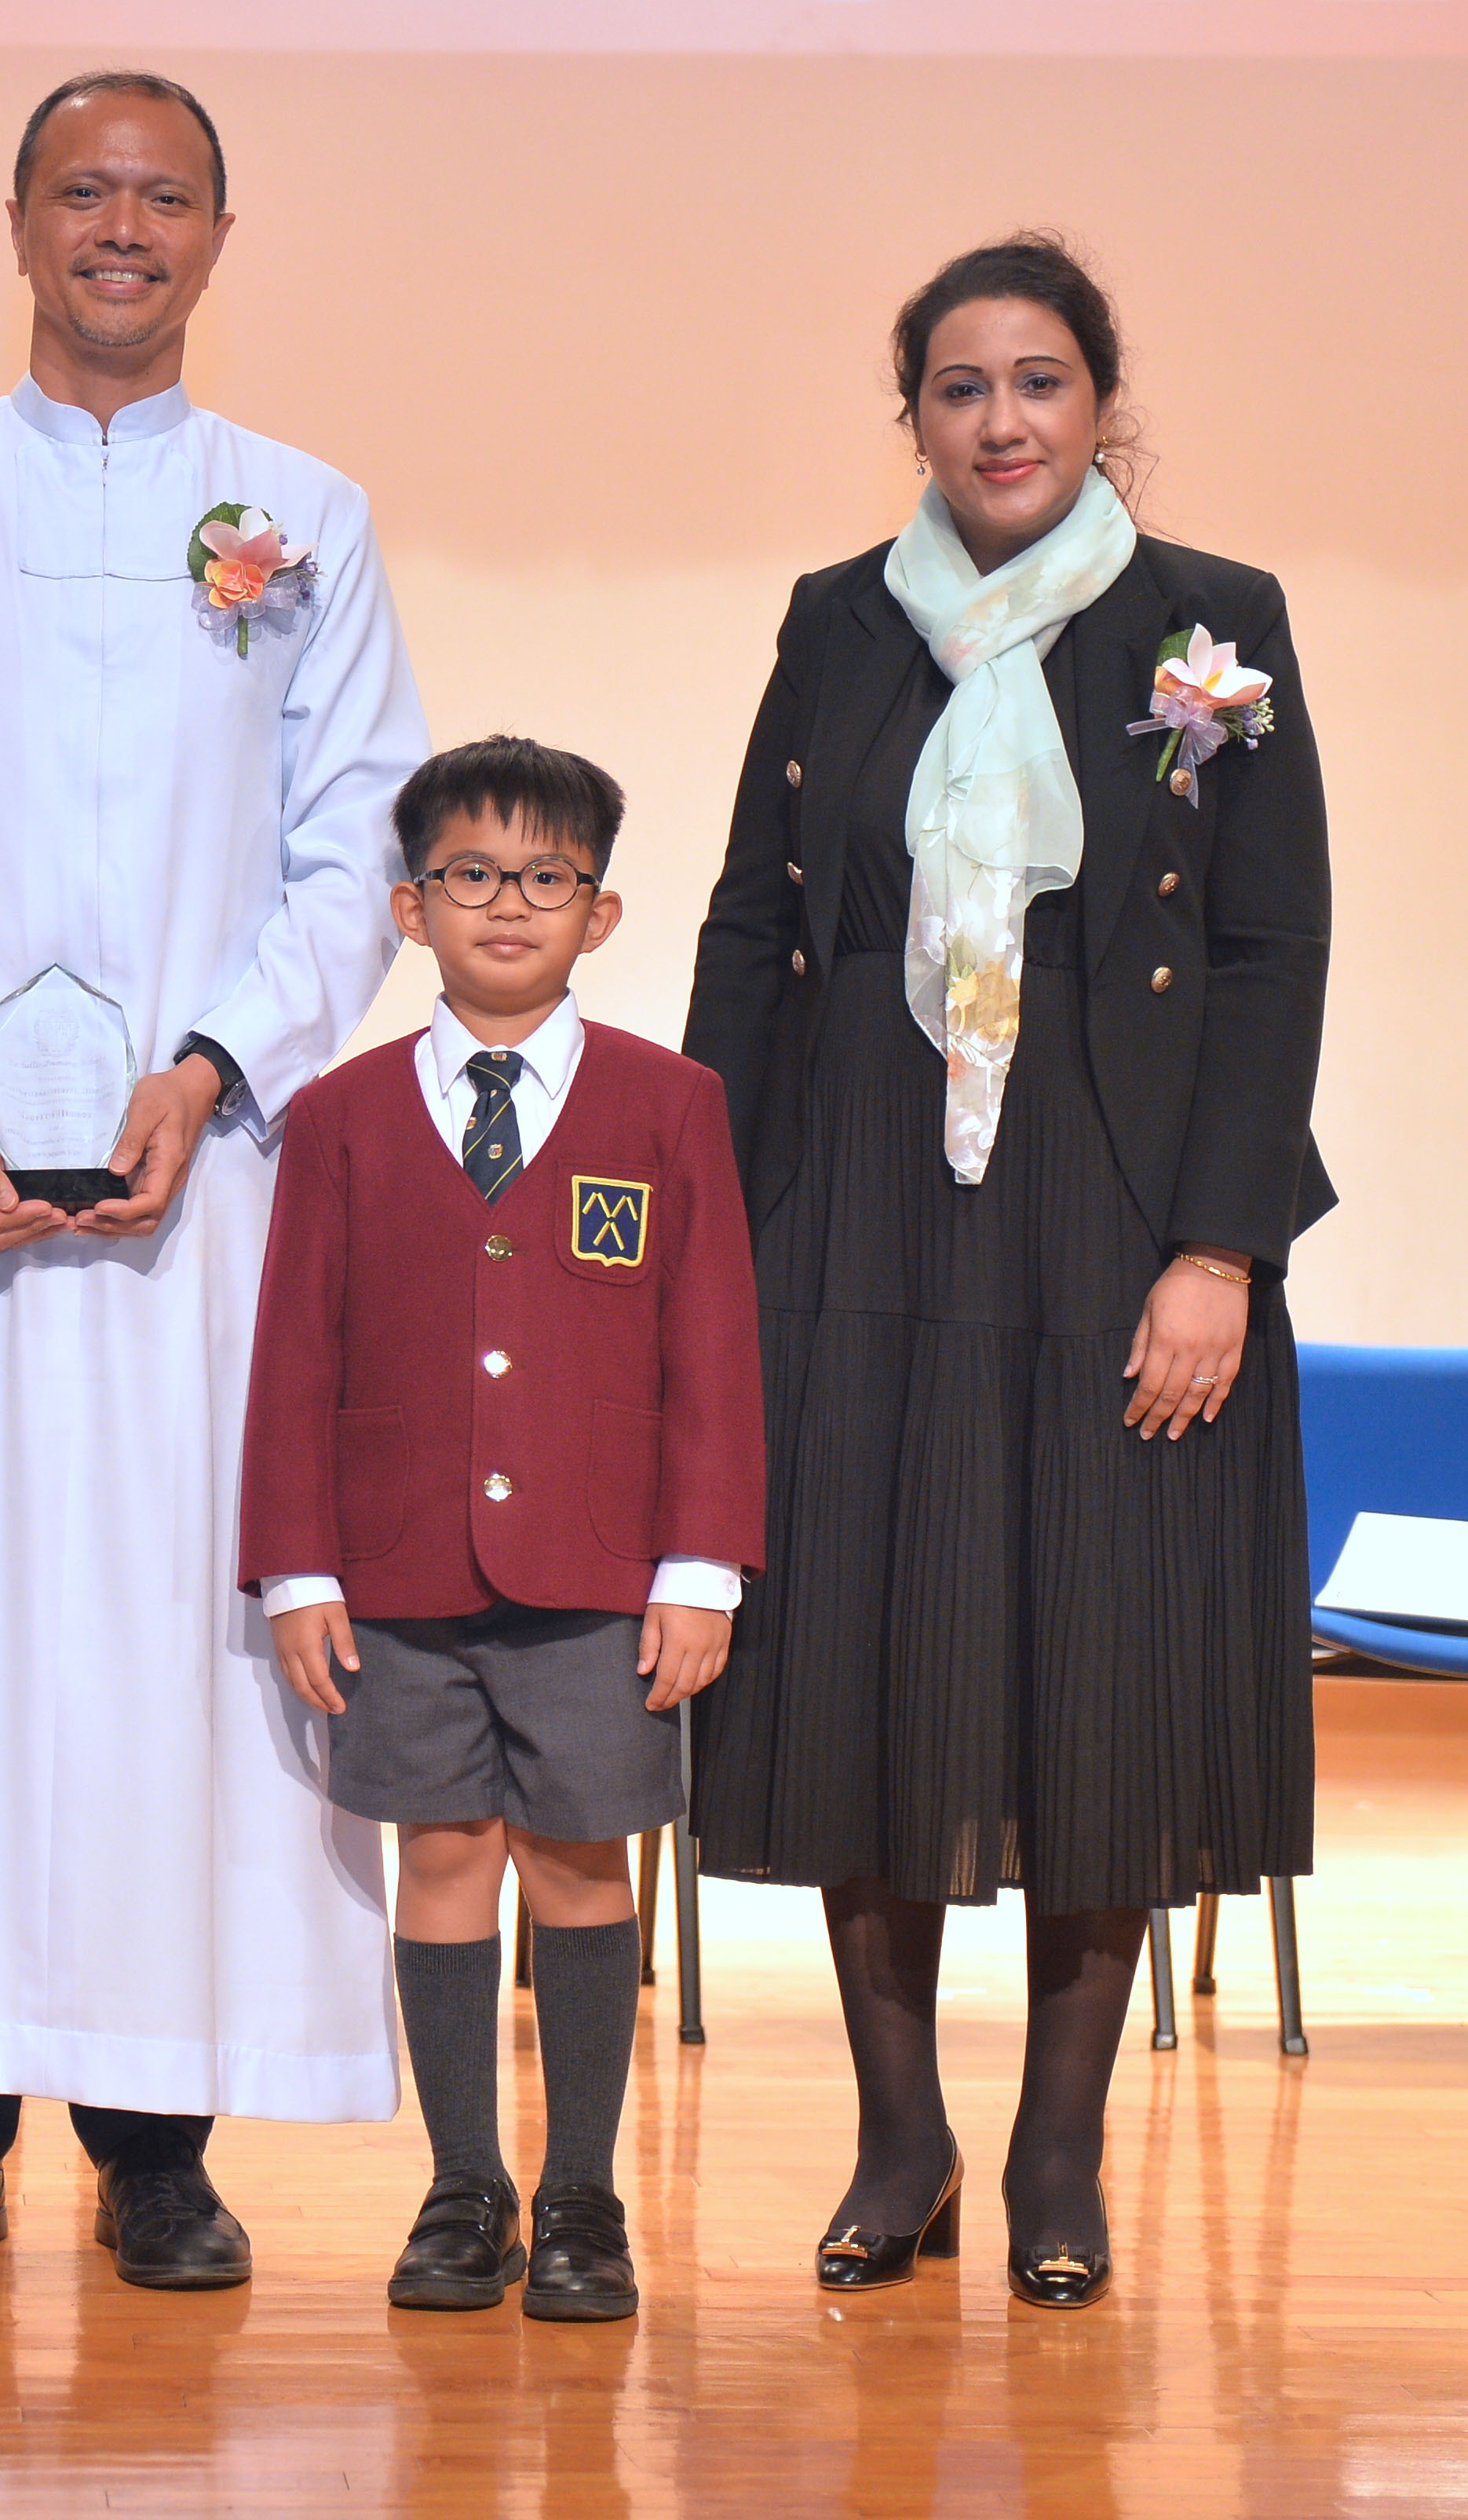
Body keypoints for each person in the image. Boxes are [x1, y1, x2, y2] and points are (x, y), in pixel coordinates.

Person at [0, 71, 432, 2291]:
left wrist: (212, 1064)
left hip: (194, 1192)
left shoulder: (304, 514)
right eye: (82, 192)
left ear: (217, 233)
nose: (121, 228)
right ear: (17, 220)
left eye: (163, 197)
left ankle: (155, 2133)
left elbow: (357, 838)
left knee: (172, 1642)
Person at [681, 234, 1330, 2311]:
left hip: (1116, 1211)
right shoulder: (834, 620)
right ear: (914, 418)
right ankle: (901, 2140)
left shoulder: (1208, 626)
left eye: (1037, 380)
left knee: (1095, 1671)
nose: (999, 420)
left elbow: (1267, 950)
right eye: (958, 386)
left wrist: (1218, 1246)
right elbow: (748, 925)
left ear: (1098, 402)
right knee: (861, 1658)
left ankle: (1057, 2150)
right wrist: (706, 1223)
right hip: (854, 1204)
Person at [239, 740, 765, 2323]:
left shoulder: (671, 1104)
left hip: (600, 1578)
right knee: (446, 1856)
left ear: (600, 913)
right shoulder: (337, 1116)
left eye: (545, 876)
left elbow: (712, 1347)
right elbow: (295, 1351)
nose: (508, 904)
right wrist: (297, 1565)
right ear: (411, 906)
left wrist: (701, 1566)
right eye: (470, 874)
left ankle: (584, 2193)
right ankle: (463, 2183)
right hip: (398, 1575)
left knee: (584, 1866)